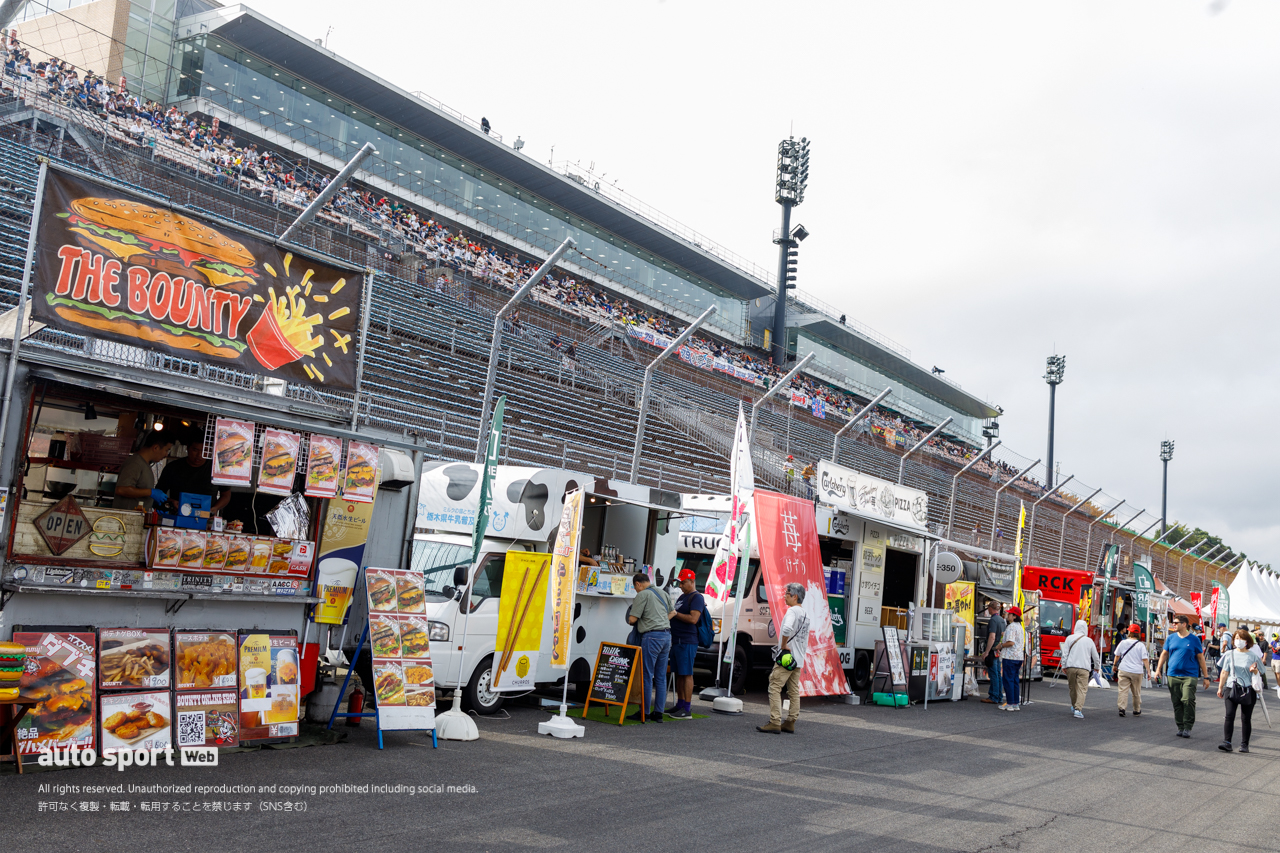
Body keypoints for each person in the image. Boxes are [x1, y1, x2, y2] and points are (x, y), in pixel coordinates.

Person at [758, 583, 809, 734]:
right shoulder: (806, 615)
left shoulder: (792, 611)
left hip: (787, 658)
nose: (784, 596)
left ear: (795, 596)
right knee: (793, 690)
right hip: (798, 659)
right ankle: (790, 721)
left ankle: (774, 721)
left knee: (774, 685)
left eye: (787, 593)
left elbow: (786, 628)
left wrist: (784, 644)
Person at [627, 572, 674, 722]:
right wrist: (659, 622)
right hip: (666, 636)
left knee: (646, 675)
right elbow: (673, 612)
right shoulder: (663, 592)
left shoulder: (642, 595)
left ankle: (644, 712)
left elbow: (632, 619)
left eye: (635, 588)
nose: (636, 590)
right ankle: (658, 713)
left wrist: (650, 623)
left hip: (651, 637)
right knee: (660, 677)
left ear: (638, 584)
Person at [1155, 615, 1211, 738]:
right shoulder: (1170, 638)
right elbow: (1164, 654)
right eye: (1173, 623)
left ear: (1184, 624)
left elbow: (1201, 658)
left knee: (1187, 699)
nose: (1173, 625)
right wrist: (1158, 670)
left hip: (1190, 675)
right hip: (1173, 674)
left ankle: (1188, 726)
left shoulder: (1194, 640)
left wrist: (1206, 677)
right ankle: (1180, 726)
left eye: (1175, 623)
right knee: (1176, 701)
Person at [1217, 628, 1263, 753]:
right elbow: (1224, 672)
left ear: (1247, 641)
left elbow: (1261, 671)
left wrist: (1255, 670)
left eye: (1241, 638)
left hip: (1248, 689)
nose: (1239, 641)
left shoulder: (1253, 655)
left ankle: (1244, 744)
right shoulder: (1229, 654)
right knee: (1229, 715)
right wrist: (1220, 687)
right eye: (1236, 638)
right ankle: (1227, 742)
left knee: (1246, 718)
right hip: (1231, 687)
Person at [155, 438, 231, 515]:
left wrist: (215, 508)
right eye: (195, 450)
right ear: (188, 447)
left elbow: (226, 495)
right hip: (177, 516)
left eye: (204, 451)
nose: (199, 455)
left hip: (206, 518)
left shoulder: (217, 469)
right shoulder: (172, 467)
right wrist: (171, 502)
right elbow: (159, 493)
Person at [667, 568, 705, 719]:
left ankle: (687, 708)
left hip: (687, 640)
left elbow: (693, 619)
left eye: (683, 582)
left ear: (692, 582)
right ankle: (680, 704)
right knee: (679, 673)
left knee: (687, 673)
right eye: (679, 582)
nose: (680, 585)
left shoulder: (696, 597)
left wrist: (676, 614)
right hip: (677, 640)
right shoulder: (683, 597)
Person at [112, 432, 174, 510]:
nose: (166, 455)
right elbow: (121, 489)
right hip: (125, 519)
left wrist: (154, 503)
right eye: (166, 450)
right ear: (156, 448)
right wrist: (151, 492)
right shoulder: (135, 463)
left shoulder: (145, 464)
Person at [1059, 620, 1100, 719]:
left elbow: (1065, 654)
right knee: (1082, 689)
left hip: (1071, 667)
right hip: (1084, 668)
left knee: (1072, 688)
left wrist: (1063, 665)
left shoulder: (1069, 638)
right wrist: (1097, 667)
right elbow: (1095, 656)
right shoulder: (1089, 640)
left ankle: (1074, 705)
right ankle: (1078, 709)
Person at [1113, 622, 1151, 718]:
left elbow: (1117, 655)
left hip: (1124, 669)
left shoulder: (1123, 643)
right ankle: (1136, 710)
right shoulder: (1141, 645)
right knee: (1136, 692)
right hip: (1137, 672)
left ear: (1129, 632)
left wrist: (1114, 665)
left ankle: (1122, 708)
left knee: (1123, 690)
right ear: (1138, 633)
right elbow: (1145, 660)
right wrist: (1149, 671)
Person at [995, 606, 1025, 711]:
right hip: (1018, 657)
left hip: (1010, 656)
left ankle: (1010, 703)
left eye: (1010, 614)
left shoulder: (1011, 626)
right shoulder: (1020, 627)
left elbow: (1011, 642)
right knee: (1015, 680)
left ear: (1014, 616)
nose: (1008, 615)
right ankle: (1015, 703)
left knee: (1008, 680)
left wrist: (1001, 645)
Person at [981, 601, 1007, 706]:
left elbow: (992, 636)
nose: (988, 609)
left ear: (991, 608)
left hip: (992, 650)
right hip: (999, 649)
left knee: (993, 674)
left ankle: (994, 696)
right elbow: (1003, 635)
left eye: (988, 608)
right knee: (997, 673)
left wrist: (986, 652)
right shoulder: (1002, 620)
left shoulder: (993, 620)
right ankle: (999, 696)